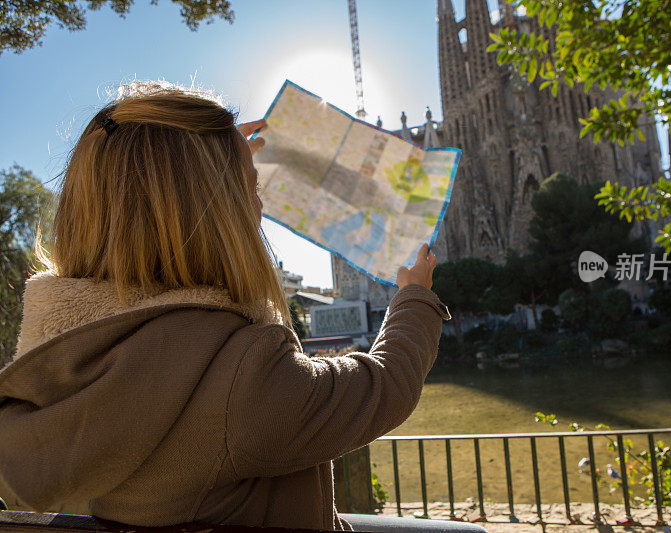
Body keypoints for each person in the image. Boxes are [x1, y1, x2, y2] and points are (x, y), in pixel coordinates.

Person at [0, 83, 481, 533]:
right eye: (250, 190)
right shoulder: (238, 375)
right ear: (213, 215)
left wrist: (219, 157)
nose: (260, 207)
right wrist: (414, 296)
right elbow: (385, 386)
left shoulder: (65, 361)